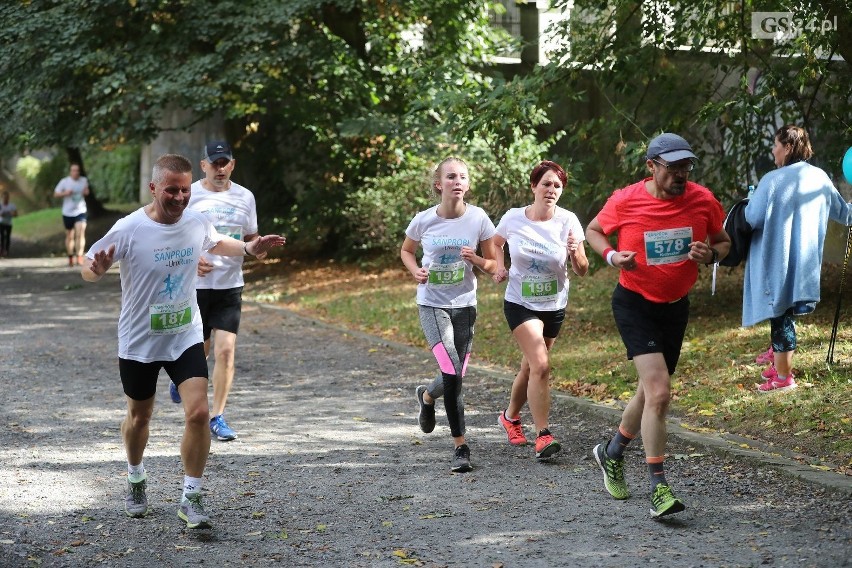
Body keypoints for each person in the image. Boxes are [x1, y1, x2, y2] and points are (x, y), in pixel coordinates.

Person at [81, 154, 285, 528]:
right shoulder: (129, 228)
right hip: (140, 340)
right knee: (139, 416)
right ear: (154, 188)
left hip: (184, 334)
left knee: (199, 414)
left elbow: (215, 240)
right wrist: (94, 270)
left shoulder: (194, 220)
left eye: (185, 189)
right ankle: (136, 477)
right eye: (171, 189)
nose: (179, 197)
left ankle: (191, 495)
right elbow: (90, 263)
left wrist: (248, 249)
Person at [584, 133, 730, 517]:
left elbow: (724, 241)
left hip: (675, 307)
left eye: (686, 167)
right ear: (651, 166)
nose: (681, 174)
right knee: (660, 392)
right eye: (673, 167)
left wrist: (710, 254)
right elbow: (593, 230)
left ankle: (611, 452)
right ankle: (658, 488)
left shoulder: (702, 199)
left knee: (650, 394)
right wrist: (613, 256)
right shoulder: (627, 199)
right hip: (634, 303)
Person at [401, 157, 497, 473]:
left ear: (467, 185)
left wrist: (477, 259)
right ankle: (460, 446)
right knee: (452, 372)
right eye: (451, 176)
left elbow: (495, 264)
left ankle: (427, 396)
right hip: (431, 304)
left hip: (465, 307)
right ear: (439, 185)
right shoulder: (424, 220)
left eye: (462, 177)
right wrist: (415, 270)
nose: (457, 181)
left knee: (456, 374)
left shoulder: (479, 219)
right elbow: (406, 250)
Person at [744, 125, 852, 392]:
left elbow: (752, 218)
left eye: (775, 145)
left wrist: (750, 200)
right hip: (805, 265)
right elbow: (844, 214)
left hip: (776, 262)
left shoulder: (772, 179)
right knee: (784, 316)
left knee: (780, 316)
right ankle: (779, 365)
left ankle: (783, 378)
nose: (773, 150)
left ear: (788, 147)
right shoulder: (820, 177)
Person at [493, 160, 589, 461]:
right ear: (534, 186)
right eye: (546, 183)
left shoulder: (569, 221)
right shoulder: (513, 218)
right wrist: (499, 264)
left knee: (530, 367)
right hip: (520, 302)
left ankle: (509, 417)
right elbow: (496, 244)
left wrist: (575, 252)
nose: (551, 190)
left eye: (557, 186)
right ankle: (544, 435)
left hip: (554, 304)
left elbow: (583, 270)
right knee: (542, 365)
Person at [168, 140, 262, 443]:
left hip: (229, 286)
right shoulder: (190, 194)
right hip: (194, 288)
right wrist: (193, 258)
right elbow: (172, 233)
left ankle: (217, 416)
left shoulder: (245, 197)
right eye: (215, 163)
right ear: (204, 165)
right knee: (201, 350)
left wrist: (258, 247)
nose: (220, 168)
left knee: (225, 351)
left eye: (225, 163)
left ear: (232, 165)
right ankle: (180, 378)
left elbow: (250, 237)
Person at [54, 164, 90, 266]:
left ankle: (79, 256)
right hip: (67, 212)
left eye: (77, 170)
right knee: (70, 235)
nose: (76, 172)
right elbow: (56, 194)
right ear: (70, 172)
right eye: (74, 170)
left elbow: (87, 191)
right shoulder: (65, 182)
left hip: (80, 210)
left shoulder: (83, 180)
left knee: (81, 231)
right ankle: (70, 256)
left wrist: (86, 192)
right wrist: (65, 193)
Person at [0, 191, 18, 257]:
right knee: (1, 237)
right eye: (4, 198)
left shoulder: (12, 205)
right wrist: (2, 214)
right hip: (1, 223)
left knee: (7, 237)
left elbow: (16, 214)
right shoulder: (0, 205)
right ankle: (1, 250)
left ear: (8, 198)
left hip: (8, 223)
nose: (5, 199)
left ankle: (6, 251)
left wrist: (11, 213)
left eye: (7, 198)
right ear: (2, 198)